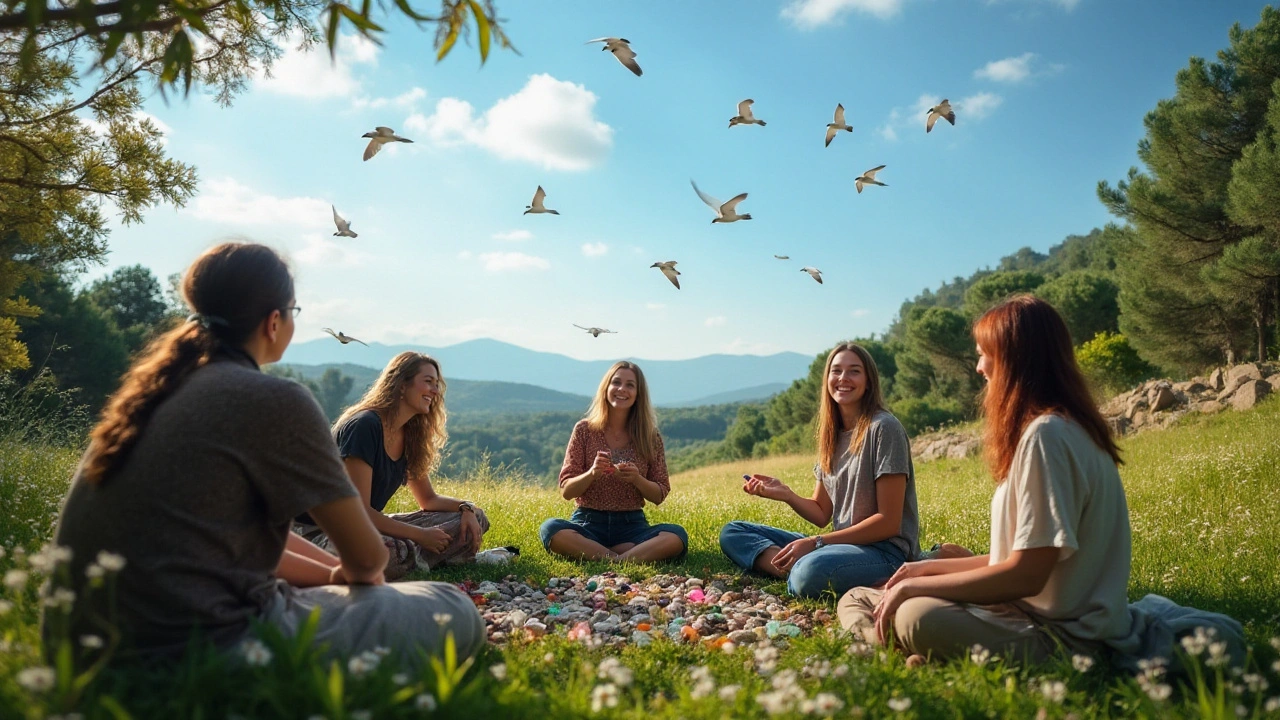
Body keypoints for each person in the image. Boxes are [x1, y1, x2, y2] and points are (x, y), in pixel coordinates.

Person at [46, 242, 482, 665]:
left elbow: (240, 538)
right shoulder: (277, 399)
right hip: (196, 647)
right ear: (274, 322)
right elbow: (368, 562)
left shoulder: (150, 395)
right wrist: (343, 579)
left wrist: (332, 576)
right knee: (453, 608)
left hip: (83, 648)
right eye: (294, 312)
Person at [838, 295, 1132, 664]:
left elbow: (1025, 577)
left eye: (984, 354)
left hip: (1060, 636)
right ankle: (903, 645)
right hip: (1023, 612)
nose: (979, 368)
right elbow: (1018, 559)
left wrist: (916, 587)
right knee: (860, 596)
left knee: (914, 613)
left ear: (1015, 359)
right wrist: (924, 568)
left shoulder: (1047, 437)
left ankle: (886, 649)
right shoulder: (1068, 428)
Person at [718, 342, 920, 599]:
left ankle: (800, 570)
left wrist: (816, 543)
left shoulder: (884, 428)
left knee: (808, 573)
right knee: (733, 532)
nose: (843, 378)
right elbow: (822, 512)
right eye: (836, 371)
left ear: (869, 381)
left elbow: (889, 522)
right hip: (838, 545)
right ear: (827, 379)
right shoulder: (832, 435)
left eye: (854, 371)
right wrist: (787, 494)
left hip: (884, 552)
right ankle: (799, 568)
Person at [293, 352, 490, 581]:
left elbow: (428, 500)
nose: (435, 391)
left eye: (437, 385)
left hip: (367, 525)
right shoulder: (364, 426)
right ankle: (423, 558)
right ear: (402, 385)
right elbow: (359, 511)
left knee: (478, 518)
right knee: (386, 550)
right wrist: (419, 535)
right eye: (428, 382)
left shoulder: (411, 435)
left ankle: (414, 559)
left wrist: (466, 508)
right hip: (321, 533)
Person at [539, 361, 688, 562]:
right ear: (606, 388)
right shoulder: (584, 430)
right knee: (550, 529)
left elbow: (659, 494)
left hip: (632, 525)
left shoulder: (650, 437)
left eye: (630, 385)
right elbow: (567, 490)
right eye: (616, 382)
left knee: (677, 535)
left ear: (638, 394)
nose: (621, 389)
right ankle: (625, 555)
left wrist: (637, 479)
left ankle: (604, 555)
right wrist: (592, 473)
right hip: (587, 522)